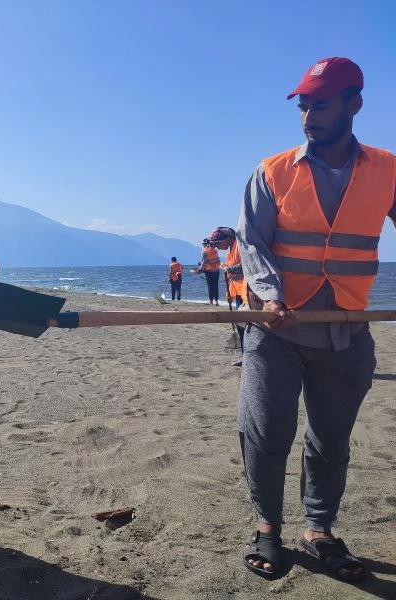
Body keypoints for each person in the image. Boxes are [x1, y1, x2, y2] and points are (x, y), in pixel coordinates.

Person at [236, 57, 395, 581]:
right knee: (266, 432)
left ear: (355, 104)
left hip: (346, 332)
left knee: (330, 438)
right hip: (276, 331)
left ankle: (319, 528)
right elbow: (252, 242)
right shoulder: (272, 170)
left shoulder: (388, 170)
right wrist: (267, 295)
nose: (308, 116)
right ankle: (267, 526)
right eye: (303, 105)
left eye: (320, 104)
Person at [210, 227, 246, 366]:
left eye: (218, 244)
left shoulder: (240, 246)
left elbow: (247, 265)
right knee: (240, 325)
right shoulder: (231, 249)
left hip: (246, 292)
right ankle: (245, 356)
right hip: (236, 290)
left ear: (227, 239)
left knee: (247, 325)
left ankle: (249, 356)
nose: (218, 247)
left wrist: (229, 269)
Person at [195, 238, 221, 305]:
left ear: (204, 244)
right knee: (215, 286)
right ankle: (217, 301)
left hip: (209, 271)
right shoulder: (215, 250)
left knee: (210, 286)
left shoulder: (204, 251)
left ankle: (211, 301)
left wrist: (199, 269)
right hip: (217, 270)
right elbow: (211, 259)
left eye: (203, 244)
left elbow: (204, 262)